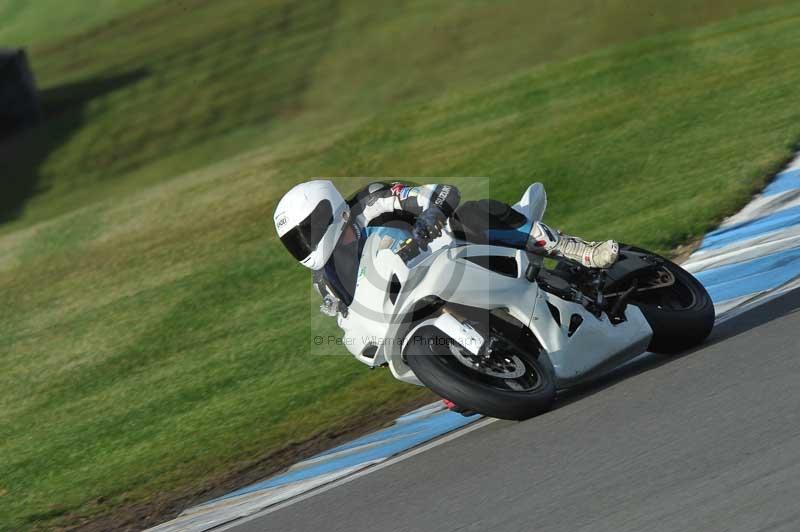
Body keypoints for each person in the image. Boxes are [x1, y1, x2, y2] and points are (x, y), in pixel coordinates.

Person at [273, 180, 618, 307]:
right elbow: (352, 320)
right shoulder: (327, 279)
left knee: (471, 213)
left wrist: (429, 217)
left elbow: (440, 192)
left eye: (307, 231)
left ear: (327, 212)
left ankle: (578, 251)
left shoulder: (371, 200)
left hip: (451, 250)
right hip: (415, 297)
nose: (306, 244)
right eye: (296, 241)